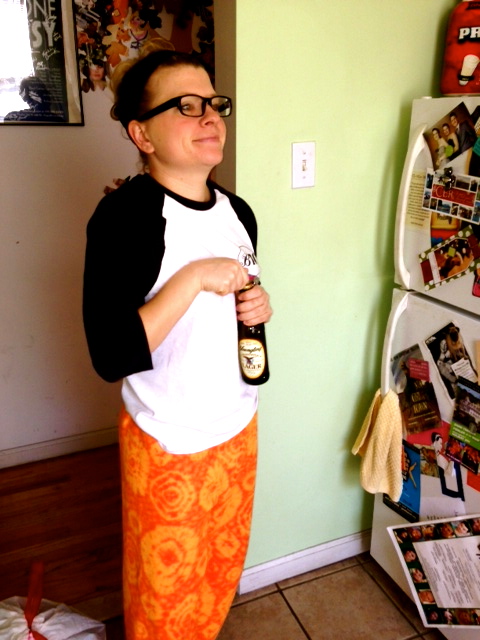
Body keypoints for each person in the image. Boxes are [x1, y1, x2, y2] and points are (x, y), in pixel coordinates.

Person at [82, 47, 273, 640]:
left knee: (218, 574)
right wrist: (191, 279)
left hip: (237, 425)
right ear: (141, 134)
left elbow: (233, 306)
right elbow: (111, 354)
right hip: (169, 440)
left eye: (214, 103)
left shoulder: (239, 212)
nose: (210, 116)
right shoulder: (123, 218)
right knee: (163, 599)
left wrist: (258, 308)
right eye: (186, 106)